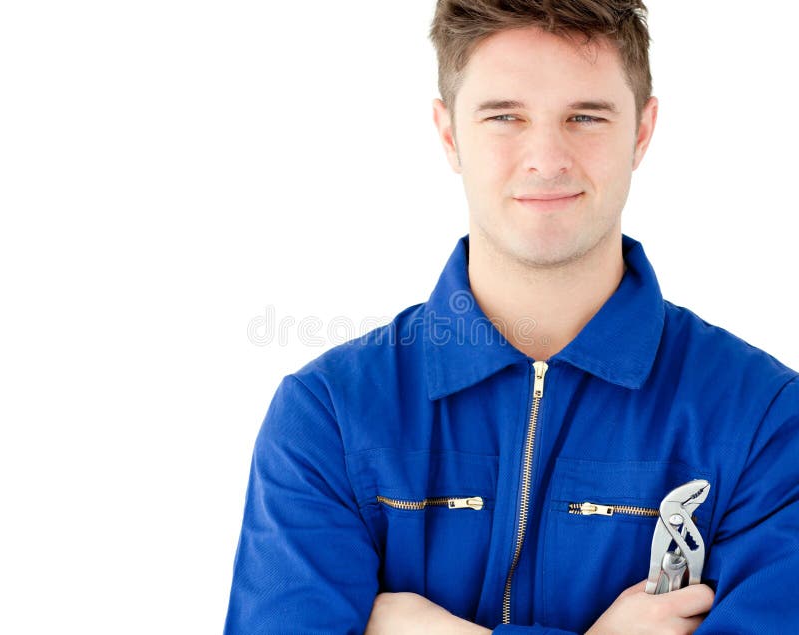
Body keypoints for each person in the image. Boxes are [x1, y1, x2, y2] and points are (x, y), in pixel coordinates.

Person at [223, 1, 799, 633]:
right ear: (449, 134)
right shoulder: (327, 416)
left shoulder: (767, 421)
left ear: (641, 131)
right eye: (504, 117)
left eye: (585, 117)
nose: (546, 159)